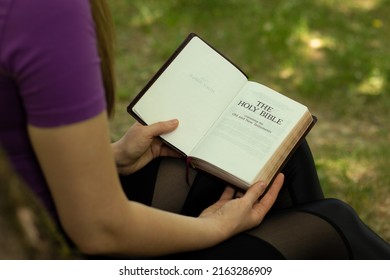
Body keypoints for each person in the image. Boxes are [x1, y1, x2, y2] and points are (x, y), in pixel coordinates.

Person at [1, 0, 389, 259]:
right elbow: (99, 229)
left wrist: (111, 157)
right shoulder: (43, 10)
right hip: (49, 251)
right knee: (330, 225)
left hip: (36, 215)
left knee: (276, 157)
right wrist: (214, 227)